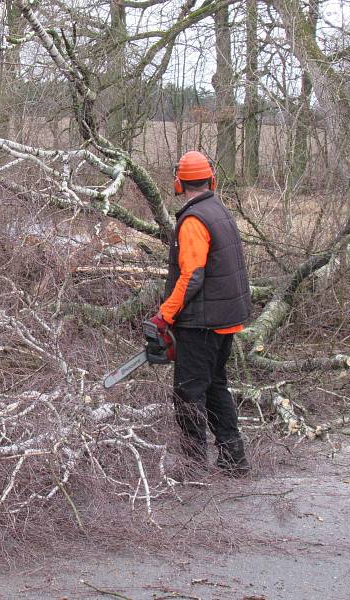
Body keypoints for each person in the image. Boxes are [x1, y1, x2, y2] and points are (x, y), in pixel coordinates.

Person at [151, 150, 251, 478]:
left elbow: (192, 275)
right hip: (223, 318)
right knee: (214, 386)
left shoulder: (194, 220)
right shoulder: (218, 210)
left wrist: (165, 315)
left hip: (203, 323)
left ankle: (193, 465)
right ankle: (233, 458)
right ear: (211, 179)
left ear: (179, 183)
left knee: (188, 393)